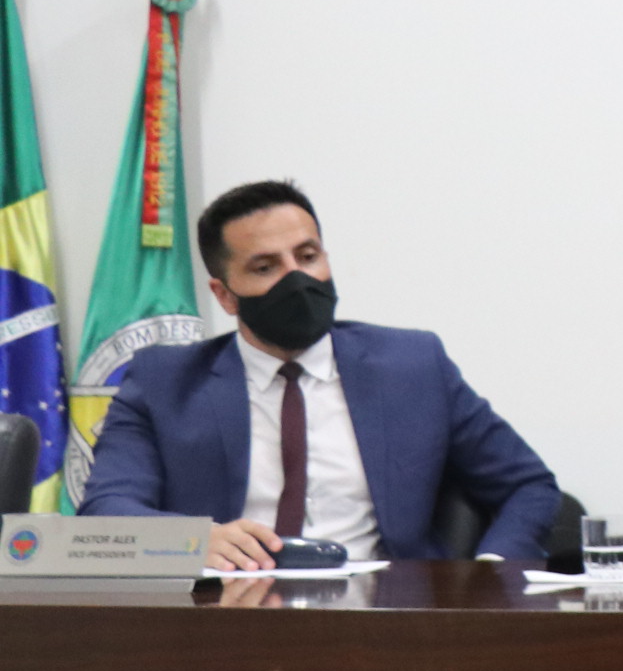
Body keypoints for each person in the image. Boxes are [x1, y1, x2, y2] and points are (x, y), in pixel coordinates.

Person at [82, 178, 557, 571]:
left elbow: (527, 485)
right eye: (265, 267)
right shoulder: (163, 381)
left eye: (308, 257)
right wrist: (190, 543)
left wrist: (490, 573)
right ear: (225, 295)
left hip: (382, 613)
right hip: (229, 615)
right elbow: (107, 510)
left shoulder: (413, 366)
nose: (297, 280)